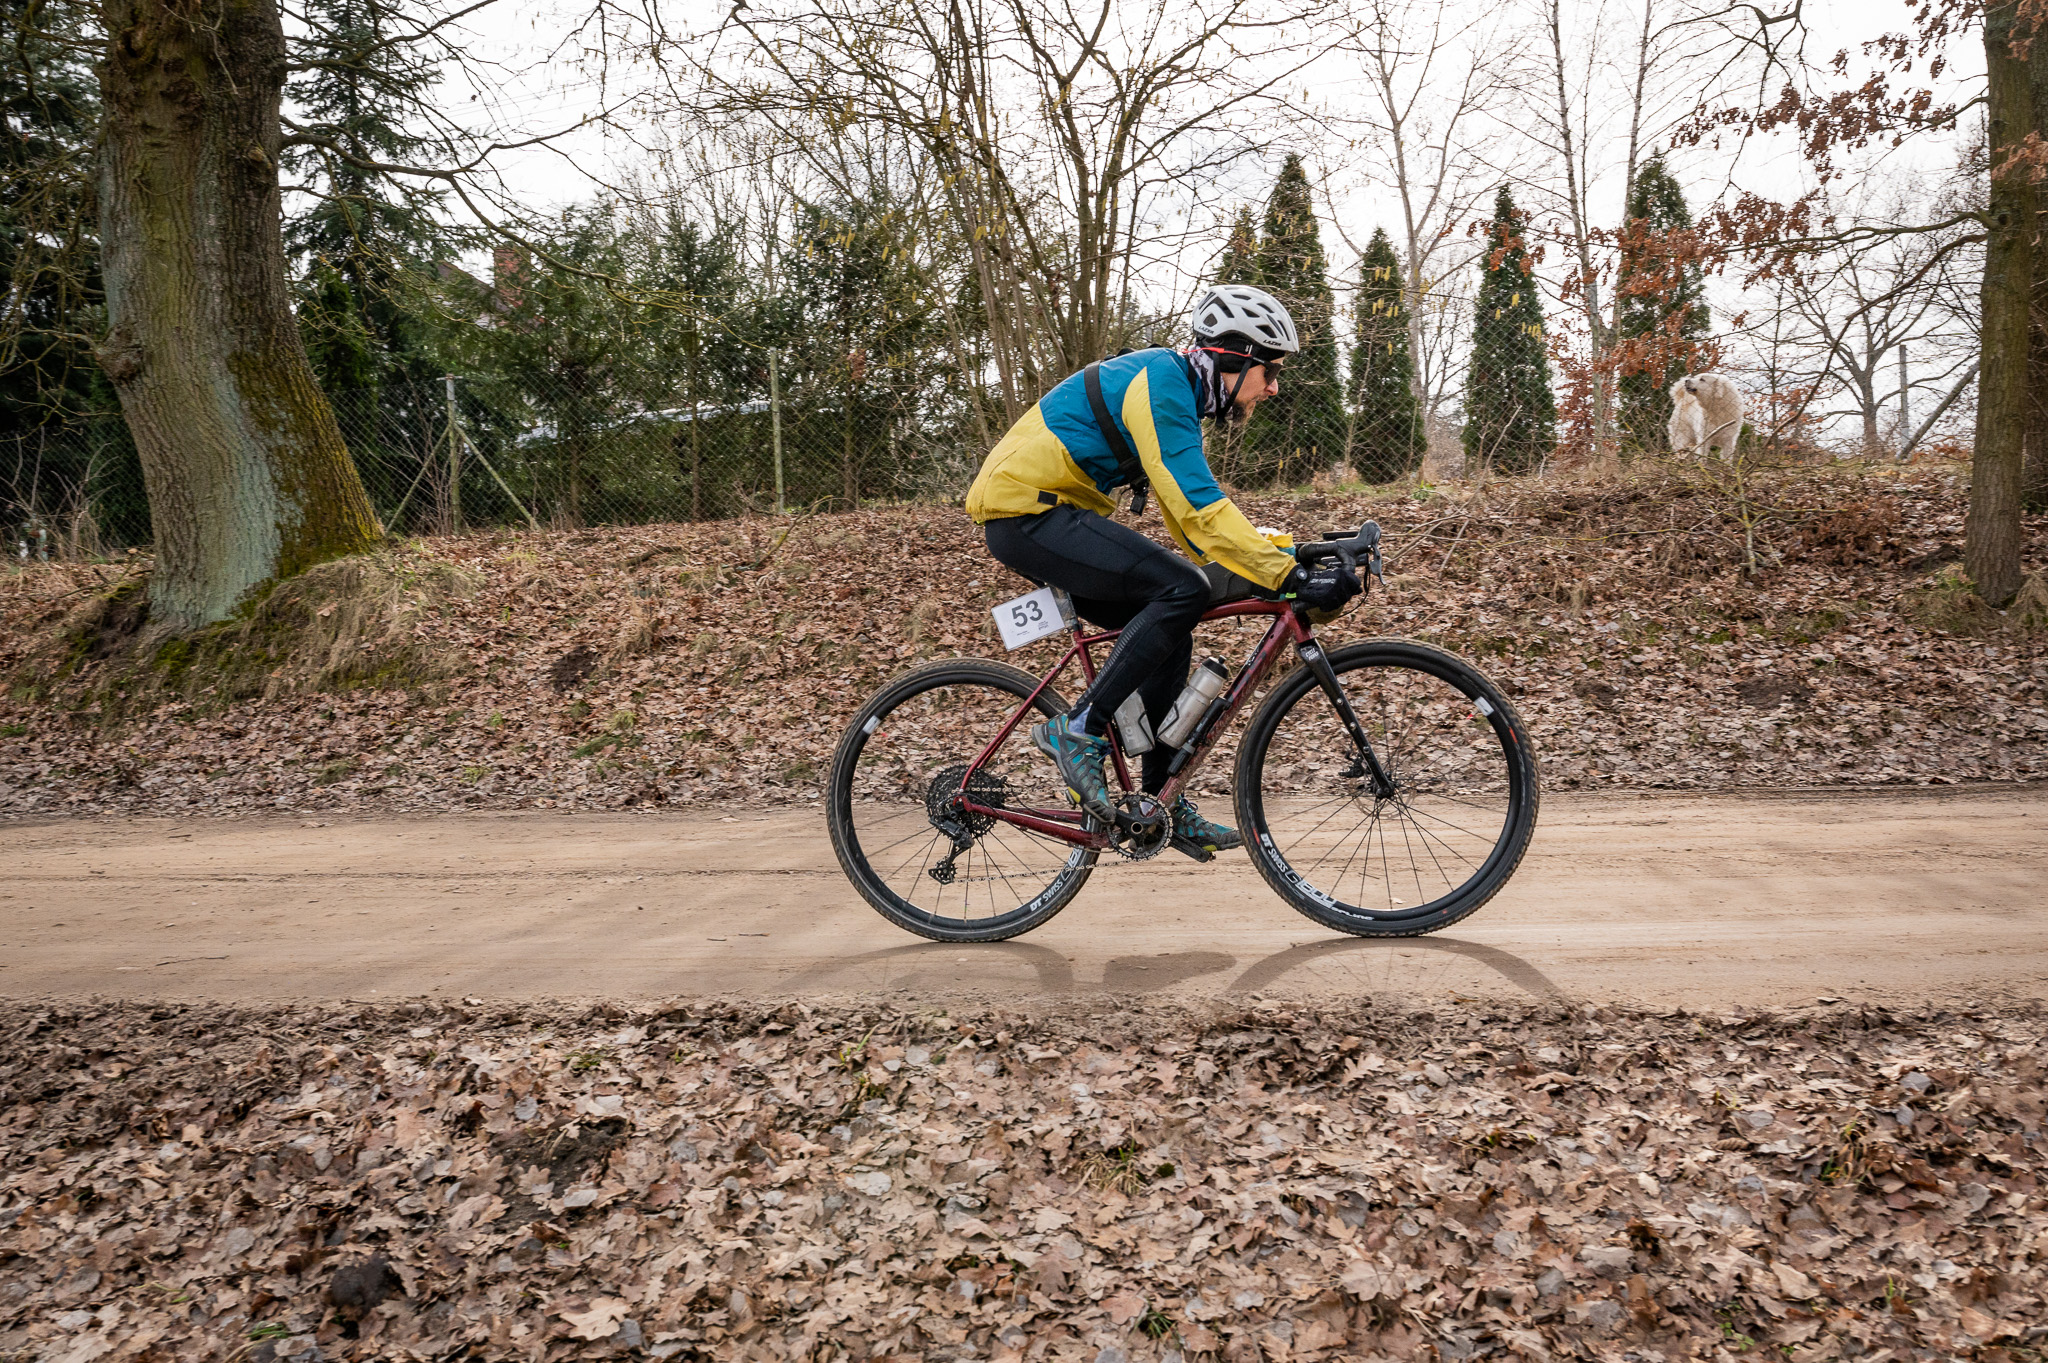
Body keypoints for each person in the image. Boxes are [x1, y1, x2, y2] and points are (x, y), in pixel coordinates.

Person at [964, 283, 1361, 860]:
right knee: (1181, 590)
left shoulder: (1175, 393)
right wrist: (1285, 574)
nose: (1274, 388)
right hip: (1026, 512)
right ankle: (1077, 729)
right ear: (1235, 358)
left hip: (1047, 513)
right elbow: (1198, 510)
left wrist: (1289, 555)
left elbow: (1187, 521)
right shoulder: (1163, 383)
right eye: (1271, 371)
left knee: (1174, 620)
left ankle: (1159, 802)